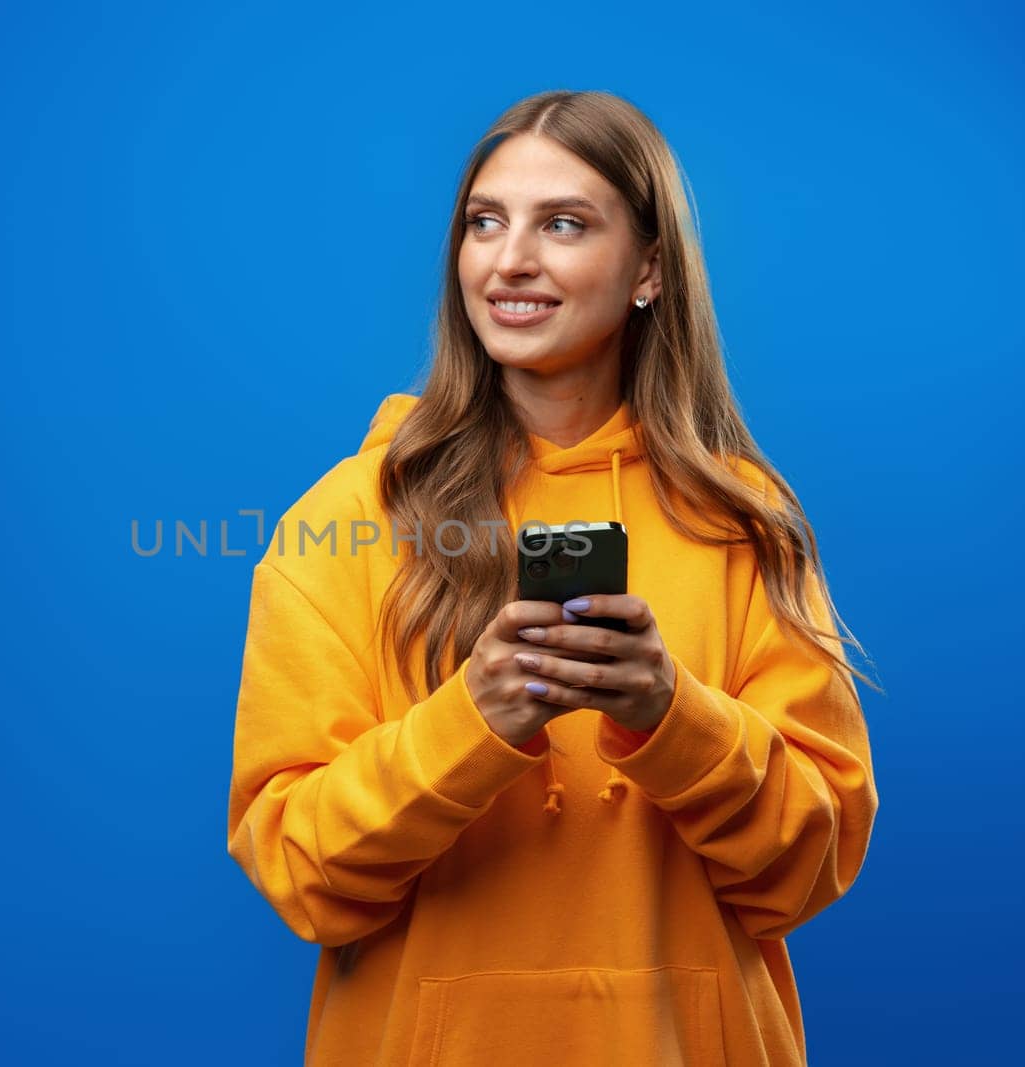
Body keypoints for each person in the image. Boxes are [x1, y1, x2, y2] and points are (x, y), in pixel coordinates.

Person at [225, 89, 880, 1067]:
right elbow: (300, 872)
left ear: (649, 267)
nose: (509, 260)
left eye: (562, 224)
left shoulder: (741, 517)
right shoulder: (347, 517)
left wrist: (672, 715)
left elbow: (807, 867)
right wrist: (473, 721)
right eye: (484, 222)